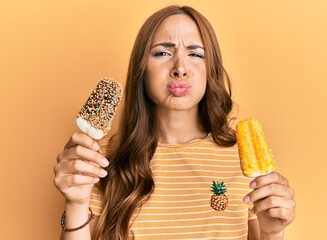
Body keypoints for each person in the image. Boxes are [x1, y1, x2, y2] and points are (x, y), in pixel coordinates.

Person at [54, 5, 295, 240]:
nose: (180, 68)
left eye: (195, 54)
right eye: (163, 53)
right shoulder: (99, 159)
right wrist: (75, 203)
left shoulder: (240, 158)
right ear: (141, 67)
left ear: (210, 69)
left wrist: (273, 233)